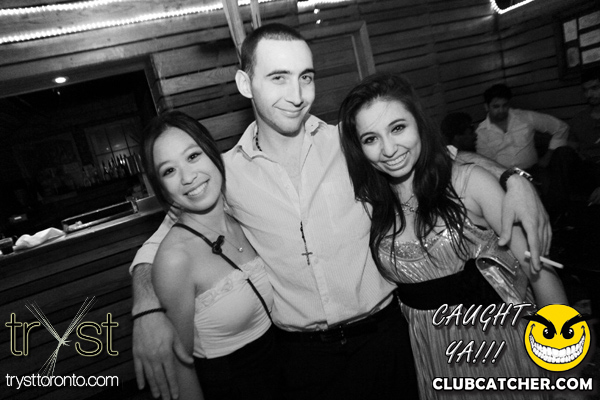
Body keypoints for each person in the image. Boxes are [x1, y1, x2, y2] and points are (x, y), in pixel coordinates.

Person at [131, 23, 552, 400]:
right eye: (278, 78)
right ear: (246, 83)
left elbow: (442, 157)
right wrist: (147, 309)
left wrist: (513, 178)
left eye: (306, 77)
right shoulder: (226, 172)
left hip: (386, 338)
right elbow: (165, 242)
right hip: (303, 359)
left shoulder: (351, 143)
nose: (297, 95)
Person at [338, 72, 567, 399]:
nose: (388, 149)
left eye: (398, 128)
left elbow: (539, 272)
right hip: (432, 355)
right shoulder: (372, 205)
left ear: (419, 124)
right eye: (371, 138)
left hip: (500, 347)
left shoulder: (468, 184)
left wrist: (563, 366)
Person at [138, 111, 280, 399]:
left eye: (193, 156)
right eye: (169, 171)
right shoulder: (175, 259)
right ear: (161, 187)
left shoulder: (244, 217)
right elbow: (181, 367)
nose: (188, 177)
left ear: (213, 152)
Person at [475, 83, 573, 221]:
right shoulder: (481, 132)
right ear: (486, 107)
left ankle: (559, 221)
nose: (501, 110)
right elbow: (487, 164)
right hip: (505, 176)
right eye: (496, 106)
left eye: (505, 105)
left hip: (534, 170)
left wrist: (548, 155)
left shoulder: (525, 117)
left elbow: (561, 128)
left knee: (552, 191)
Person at [568, 67, 600, 206]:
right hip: (587, 170)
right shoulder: (579, 119)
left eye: (594, 88)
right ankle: (558, 211)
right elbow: (571, 151)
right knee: (561, 154)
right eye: (585, 90)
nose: (589, 94)